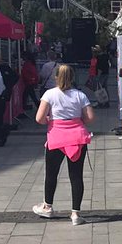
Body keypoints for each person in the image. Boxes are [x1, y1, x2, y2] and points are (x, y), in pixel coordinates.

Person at [32, 64, 94, 226]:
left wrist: (49, 120)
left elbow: (39, 118)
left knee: (51, 174)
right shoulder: (80, 95)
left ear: (55, 77)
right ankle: (75, 213)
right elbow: (89, 118)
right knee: (76, 176)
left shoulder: (49, 94)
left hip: (57, 137)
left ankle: (47, 206)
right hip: (77, 138)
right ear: (73, 77)